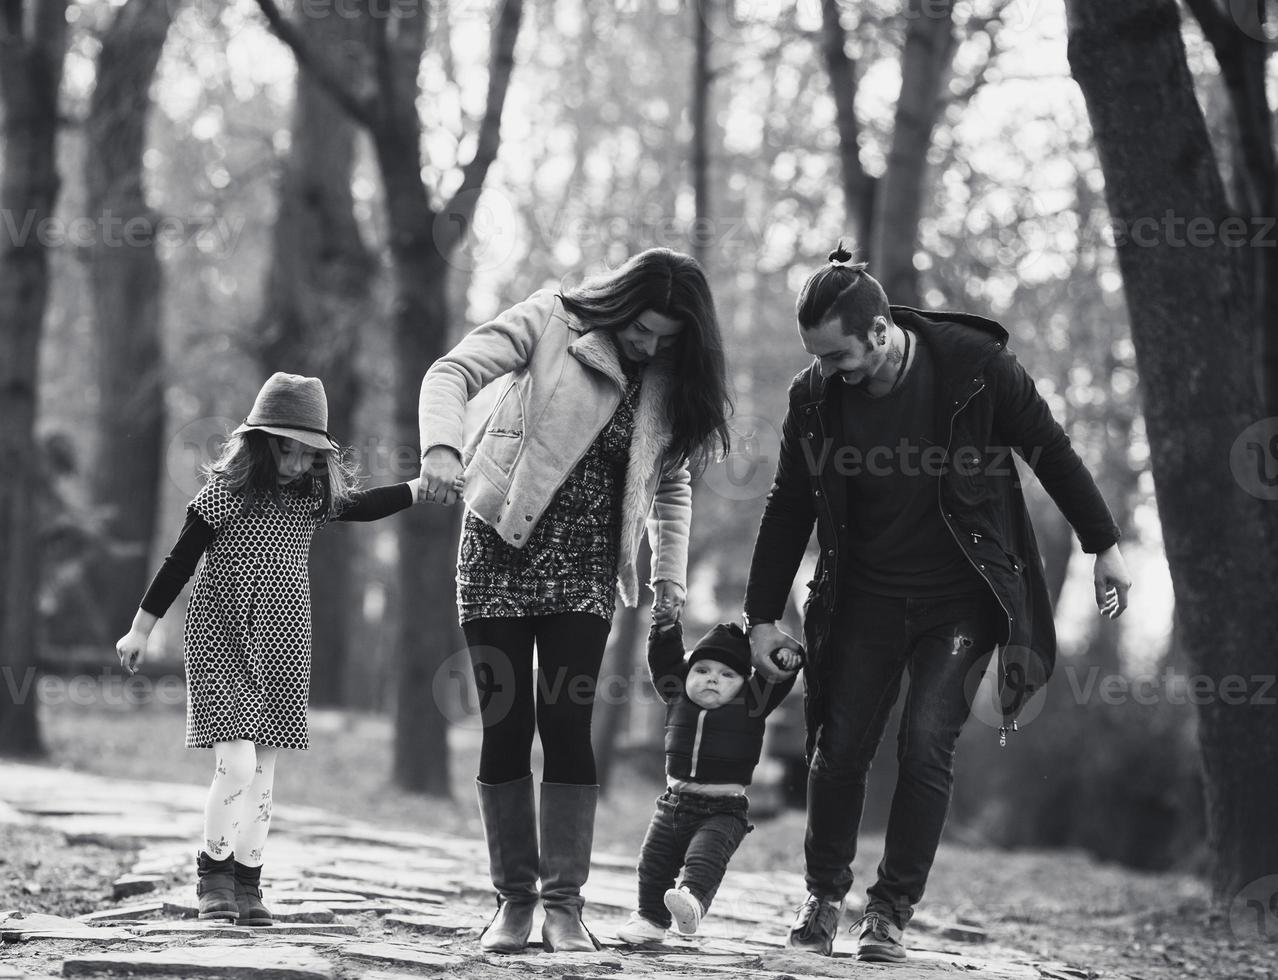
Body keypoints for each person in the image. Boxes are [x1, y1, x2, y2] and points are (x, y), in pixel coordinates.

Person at [743, 246, 1132, 963]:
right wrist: (761, 614)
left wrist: (1103, 542)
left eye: (839, 355)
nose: (830, 373)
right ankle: (824, 896)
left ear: (882, 330)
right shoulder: (815, 397)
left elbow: (1048, 448)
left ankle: (889, 913)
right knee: (838, 751)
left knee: (925, 742)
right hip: (863, 596)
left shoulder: (976, 371)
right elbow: (789, 502)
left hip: (959, 599)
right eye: (818, 359)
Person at [416, 248, 733, 953]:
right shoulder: (551, 319)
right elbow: (451, 372)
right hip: (497, 545)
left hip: (586, 570)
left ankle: (563, 905)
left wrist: (669, 580)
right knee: (506, 722)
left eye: (667, 338)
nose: (649, 345)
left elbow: (671, 482)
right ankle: (514, 903)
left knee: (566, 723)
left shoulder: (667, 379)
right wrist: (441, 447)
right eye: (643, 329)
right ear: (621, 304)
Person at [115, 373, 448, 926]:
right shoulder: (222, 496)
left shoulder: (312, 497)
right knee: (238, 764)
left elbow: (364, 506)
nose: (295, 463)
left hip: (284, 642)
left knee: (264, 774)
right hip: (220, 639)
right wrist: (141, 629)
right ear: (260, 443)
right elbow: (179, 563)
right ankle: (213, 875)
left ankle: (249, 884)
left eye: (306, 454)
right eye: (285, 450)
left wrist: (418, 487)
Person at [615, 621, 801, 944]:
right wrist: (665, 628)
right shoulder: (676, 694)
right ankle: (649, 919)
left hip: (723, 810)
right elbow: (663, 659)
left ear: (744, 683)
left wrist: (785, 657)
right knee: (652, 863)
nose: (713, 678)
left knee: (704, 859)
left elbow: (776, 678)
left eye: (727, 675)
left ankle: (692, 901)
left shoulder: (751, 703)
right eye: (702, 670)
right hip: (673, 804)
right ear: (686, 674)